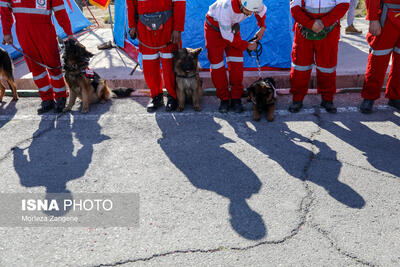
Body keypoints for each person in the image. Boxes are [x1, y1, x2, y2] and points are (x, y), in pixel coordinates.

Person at [0, 0, 74, 114]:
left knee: (53, 65)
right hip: (23, 34)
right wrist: (6, 32)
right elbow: (4, 10)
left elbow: (61, 12)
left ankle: (60, 97)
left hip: (45, 32)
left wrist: (69, 33)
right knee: (36, 69)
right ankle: (46, 99)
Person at [205, 0, 266, 113]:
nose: (250, 14)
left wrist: (262, 27)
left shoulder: (254, 2)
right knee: (217, 65)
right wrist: (247, 45)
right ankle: (224, 99)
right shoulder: (226, 9)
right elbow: (228, 38)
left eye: (253, 11)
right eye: (249, 11)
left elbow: (261, 12)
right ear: (242, 4)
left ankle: (236, 98)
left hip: (231, 28)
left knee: (236, 64)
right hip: (214, 31)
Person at [289, 0, 350, 113]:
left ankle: (327, 99)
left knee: (327, 66)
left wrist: (324, 22)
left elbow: (343, 5)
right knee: (300, 66)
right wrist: (310, 23)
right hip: (304, 29)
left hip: (329, 29)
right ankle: (297, 99)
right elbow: (294, 7)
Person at [126, 0, 186, 112]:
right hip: (145, 30)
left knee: (169, 66)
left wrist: (177, 29)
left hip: (167, 29)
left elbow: (179, 3)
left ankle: (173, 97)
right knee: (150, 67)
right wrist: (132, 26)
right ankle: (156, 97)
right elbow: (130, 3)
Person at [359, 0, 400, 113]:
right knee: (378, 59)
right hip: (387, 16)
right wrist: (373, 18)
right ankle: (369, 97)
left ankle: (395, 96)